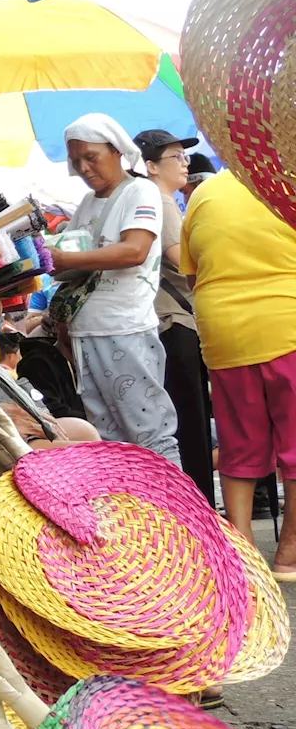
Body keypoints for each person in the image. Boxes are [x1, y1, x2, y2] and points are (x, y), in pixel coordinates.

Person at [182, 169, 296, 579]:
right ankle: (290, 554)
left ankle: (241, 554)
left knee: (239, 441)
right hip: (288, 321)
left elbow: (193, 276)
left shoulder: (205, 192)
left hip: (223, 330)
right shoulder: (286, 183)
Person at [49, 115, 181, 465]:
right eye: (76, 160)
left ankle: (176, 513)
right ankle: (134, 516)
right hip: (88, 332)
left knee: (150, 433)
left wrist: (65, 259)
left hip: (125, 329)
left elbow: (134, 251)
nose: (83, 168)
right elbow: (70, 262)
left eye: (91, 157)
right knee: (109, 442)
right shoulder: (87, 204)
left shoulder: (140, 191)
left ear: (117, 150)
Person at [134, 130, 216, 506]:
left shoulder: (161, 200)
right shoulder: (162, 202)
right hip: (174, 322)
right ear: (150, 166)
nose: (184, 163)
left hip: (171, 321)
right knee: (189, 423)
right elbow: (177, 259)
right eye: (175, 157)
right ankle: (200, 506)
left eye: (185, 157)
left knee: (186, 419)